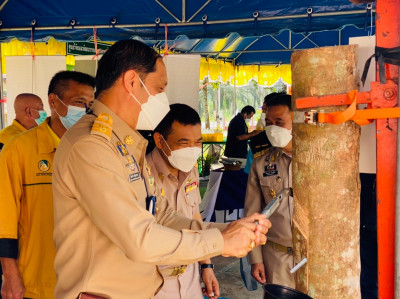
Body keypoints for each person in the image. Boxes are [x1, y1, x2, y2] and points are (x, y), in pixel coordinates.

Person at [52, 40, 270, 299]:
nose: (163, 99)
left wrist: (228, 230)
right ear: (132, 81)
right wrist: (221, 243)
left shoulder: (125, 143)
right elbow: (139, 238)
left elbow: (162, 216)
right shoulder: (92, 147)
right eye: (159, 88)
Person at [0, 70, 95, 299]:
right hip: (37, 280)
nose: (85, 111)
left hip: (86, 282)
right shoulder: (18, 149)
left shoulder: (94, 149)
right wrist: (10, 275)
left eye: (90, 104)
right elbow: (5, 219)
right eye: (79, 102)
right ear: (53, 101)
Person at [148, 103, 220, 299]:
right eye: (184, 142)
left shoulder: (191, 170)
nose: (193, 150)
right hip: (155, 284)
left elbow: (195, 216)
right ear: (159, 140)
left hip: (190, 279)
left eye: (198, 142)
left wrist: (207, 265)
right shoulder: (142, 174)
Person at [244, 94, 295, 288]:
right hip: (276, 257)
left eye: (279, 122)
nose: (272, 128)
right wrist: (255, 258)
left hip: (317, 258)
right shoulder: (261, 163)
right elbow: (252, 214)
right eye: (269, 122)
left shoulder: (317, 158)